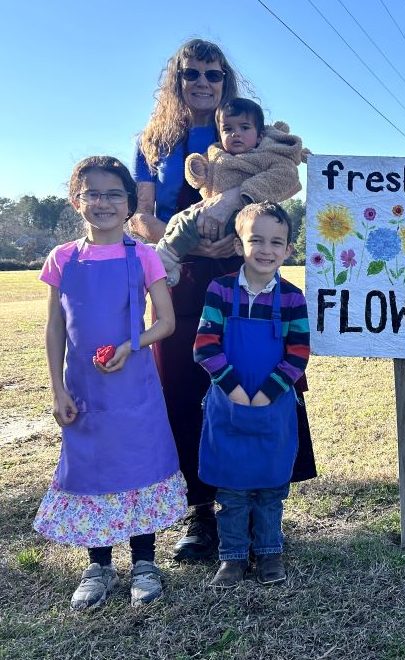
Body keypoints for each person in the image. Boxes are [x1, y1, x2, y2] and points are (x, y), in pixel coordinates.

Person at [130, 39, 317, 562]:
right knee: (185, 386)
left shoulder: (244, 129)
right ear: (178, 80)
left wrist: (235, 216)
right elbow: (139, 216)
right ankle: (199, 511)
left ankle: (262, 497)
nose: (203, 82)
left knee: (253, 375)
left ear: (226, 80)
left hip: (243, 266)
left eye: (213, 74)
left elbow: (281, 183)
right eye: (192, 74)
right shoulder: (153, 141)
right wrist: (183, 233)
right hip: (181, 273)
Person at [34, 156, 186, 610]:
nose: (103, 203)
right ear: (76, 200)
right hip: (83, 390)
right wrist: (58, 389)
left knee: (137, 466)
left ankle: (143, 562)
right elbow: (56, 328)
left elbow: (167, 322)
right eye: (92, 194)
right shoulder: (63, 258)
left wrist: (130, 344)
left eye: (113, 194)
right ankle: (97, 564)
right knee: (91, 468)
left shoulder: (142, 255)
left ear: (129, 203)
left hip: (133, 388)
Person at [193, 202, 310, 587]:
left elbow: (298, 352)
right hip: (228, 405)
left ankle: (270, 553)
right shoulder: (220, 290)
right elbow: (205, 346)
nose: (266, 249)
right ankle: (232, 557)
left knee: (271, 489)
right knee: (232, 490)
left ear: (289, 248)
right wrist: (235, 389)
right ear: (239, 243)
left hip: (273, 408)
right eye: (256, 239)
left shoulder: (293, 298)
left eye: (276, 242)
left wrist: (267, 393)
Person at [155, 97, 309, 287]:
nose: (236, 134)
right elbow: (198, 181)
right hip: (210, 216)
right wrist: (197, 168)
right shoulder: (216, 154)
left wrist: (244, 193)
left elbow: (286, 176)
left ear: (260, 136)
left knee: (188, 223)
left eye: (245, 128)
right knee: (179, 220)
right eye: (228, 129)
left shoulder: (266, 156)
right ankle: (172, 262)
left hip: (244, 217)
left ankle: (166, 258)